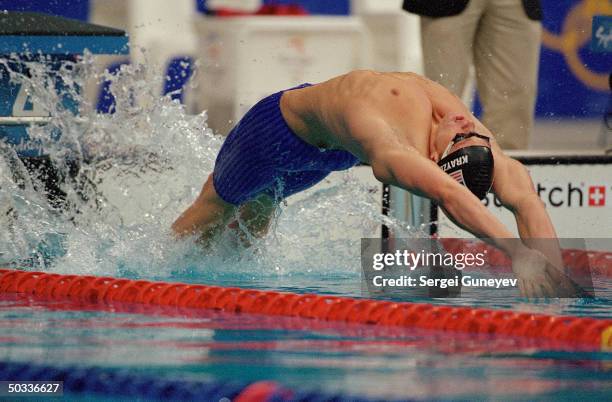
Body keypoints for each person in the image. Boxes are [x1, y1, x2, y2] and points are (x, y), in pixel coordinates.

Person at [172, 70, 575, 297]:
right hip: (276, 131)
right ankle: (166, 268)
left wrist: (556, 281)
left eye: (465, 135)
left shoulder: (464, 139)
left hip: (333, 149)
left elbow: (524, 197)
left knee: (258, 214)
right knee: (214, 209)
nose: (465, 122)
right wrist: (516, 253)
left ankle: (219, 286)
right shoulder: (395, 151)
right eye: (467, 131)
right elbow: (449, 194)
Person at [402, 0, 542, 149]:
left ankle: (509, 167)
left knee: (514, 96)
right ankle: (442, 165)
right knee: (442, 94)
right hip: (444, 6)